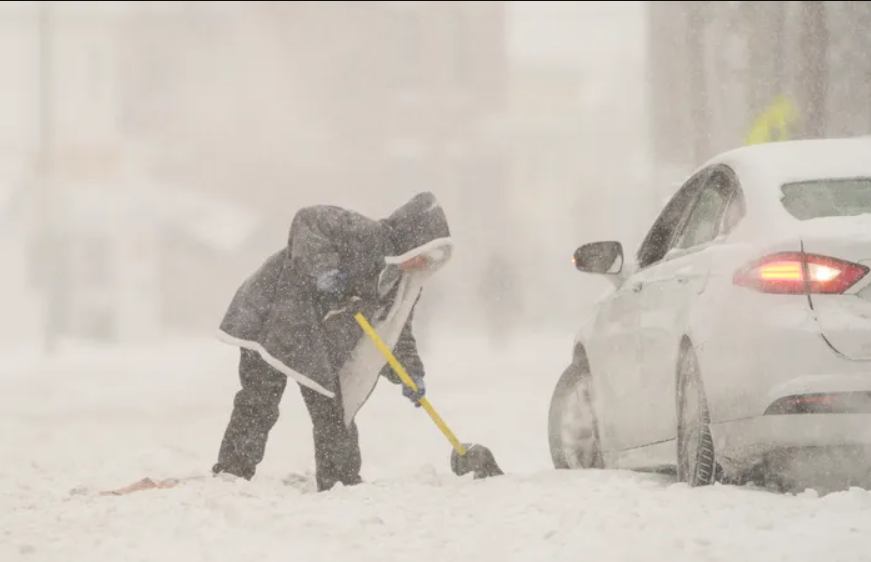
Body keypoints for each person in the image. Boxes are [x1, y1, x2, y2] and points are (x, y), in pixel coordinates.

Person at [211, 192, 453, 492]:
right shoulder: (366, 234)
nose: (420, 263)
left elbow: (395, 331)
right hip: (272, 307)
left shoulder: (400, 284)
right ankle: (232, 472)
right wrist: (325, 270)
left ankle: (340, 481)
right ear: (410, 239)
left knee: (333, 407)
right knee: (259, 398)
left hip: (312, 332)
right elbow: (308, 219)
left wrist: (409, 371)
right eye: (422, 252)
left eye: (429, 261)